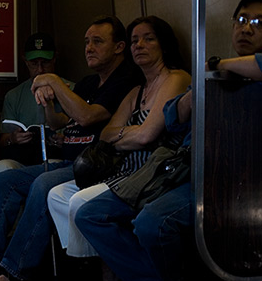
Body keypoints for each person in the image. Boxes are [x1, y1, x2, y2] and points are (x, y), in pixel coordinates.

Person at [75, 0, 262, 281]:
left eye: (259, 23)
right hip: (177, 168)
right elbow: (171, 118)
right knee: (90, 214)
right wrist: (187, 101)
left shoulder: (236, 72)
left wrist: (213, 70)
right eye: (241, 20)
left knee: (153, 223)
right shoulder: (208, 79)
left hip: (230, 179)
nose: (247, 29)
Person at [0, 16, 141, 281]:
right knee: (7, 180)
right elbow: (59, 122)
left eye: (98, 41)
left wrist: (53, 80)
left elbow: (88, 116)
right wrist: (48, 100)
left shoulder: (125, 81)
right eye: (87, 42)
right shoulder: (89, 83)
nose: (89, 47)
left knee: (44, 185)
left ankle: (16, 272)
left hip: (98, 167)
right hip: (70, 160)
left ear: (119, 47)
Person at [46, 16, 191, 262]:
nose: (139, 45)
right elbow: (106, 135)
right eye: (135, 40)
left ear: (164, 45)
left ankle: (114, 270)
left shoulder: (176, 78)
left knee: (81, 202)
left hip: (154, 172)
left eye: (148, 39)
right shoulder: (137, 91)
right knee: (56, 195)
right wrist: (134, 134)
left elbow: (148, 136)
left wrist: (129, 134)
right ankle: (104, 261)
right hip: (123, 168)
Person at [0, 32, 74, 182]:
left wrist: (66, 140)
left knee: (51, 171)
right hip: (23, 156)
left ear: (55, 58)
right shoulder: (14, 96)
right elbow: (2, 139)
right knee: (1, 168)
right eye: (34, 63)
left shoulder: (72, 90)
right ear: (25, 62)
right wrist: (13, 138)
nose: (40, 69)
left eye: (45, 62)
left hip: (56, 156)